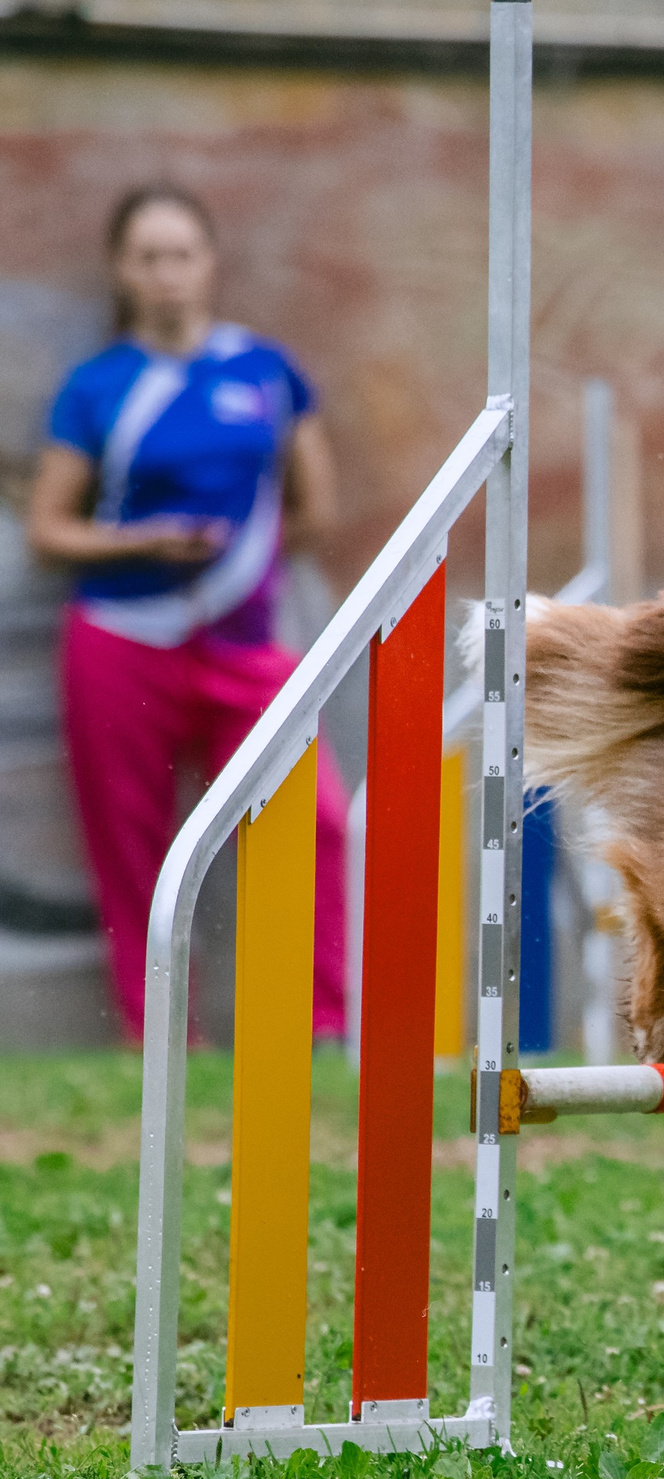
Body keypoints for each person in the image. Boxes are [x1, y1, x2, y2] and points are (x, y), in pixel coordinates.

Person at [27, 184, 348, 1043]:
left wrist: (247, 568)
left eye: (182, 254)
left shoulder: (267, 371)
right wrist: (143, 542)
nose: (167, 273)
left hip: (245, 646)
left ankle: (320, 1022)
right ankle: (158, 1032)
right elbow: (49, 528)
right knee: (131, 850)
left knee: (314, 820)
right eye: (148, 257)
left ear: (210, 264)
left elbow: (312, 505)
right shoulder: (98, 387)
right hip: (121, 643)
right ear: (122, 273)